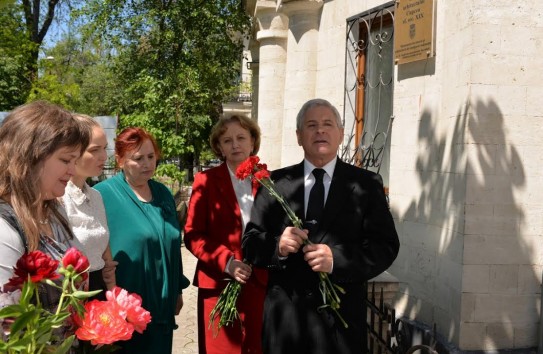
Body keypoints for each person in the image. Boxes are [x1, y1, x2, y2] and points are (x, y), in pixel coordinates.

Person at [242, 98, 400, 354]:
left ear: (340, 134)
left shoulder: (366, 184)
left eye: (328, 124)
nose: (320, 131)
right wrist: (277, 247)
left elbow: (386, 246)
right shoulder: (275, 183)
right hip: (286, 325)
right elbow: (250, 244)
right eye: (311, 125)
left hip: (340, 327)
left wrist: (337, 260)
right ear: (299, 136)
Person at [94, 127, 190, 354]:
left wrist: (177, 290)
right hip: (126, 310)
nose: (147, 164)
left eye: (151, 156)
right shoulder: (102, 195)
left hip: (162, 306)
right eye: (138, 158)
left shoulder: (163, 193)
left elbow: (173, 245)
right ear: (120, 160)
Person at [184, 115, 267, 354]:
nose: (235, 145)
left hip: (259, 282)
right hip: (219, 283)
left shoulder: (268, 180)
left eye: (241, 138)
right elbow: (192, 234)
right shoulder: (206, 181)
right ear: (219, 147)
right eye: (227, 140)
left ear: (253, 142)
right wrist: (227, 262)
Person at [0, 101, 91, 306]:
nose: (73, 171)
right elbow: (6, 326)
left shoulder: (54, 210)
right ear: (30, 158)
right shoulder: (5, 229)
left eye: (75, 162)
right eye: (66, 160)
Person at [61, 114, 116, 300]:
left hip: (98, 291)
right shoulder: (58, 199)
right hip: (70, 296)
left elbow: (105, 252)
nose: (104, 156)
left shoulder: (95, 196)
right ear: (73, 153)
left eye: (105, 148)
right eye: (95, 150)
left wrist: (113, 293)